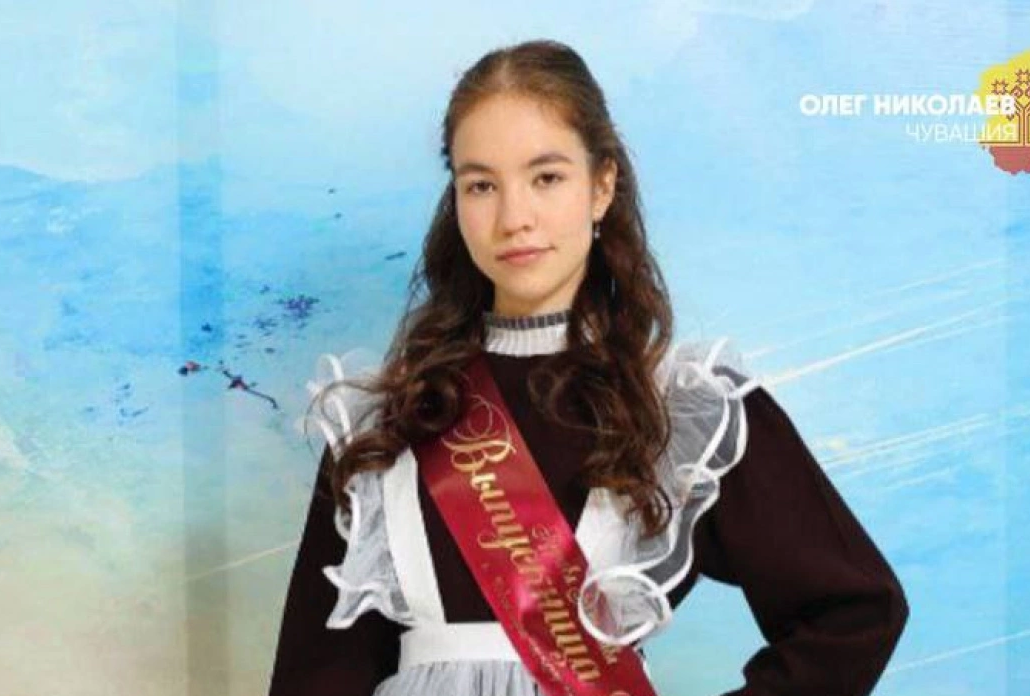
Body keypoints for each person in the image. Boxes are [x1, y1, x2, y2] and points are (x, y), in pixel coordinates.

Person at [269, 39, 909, 696]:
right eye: (481, 185)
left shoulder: (680, 410)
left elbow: (856, 611)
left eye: (546, 177)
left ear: (602, 186)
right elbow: (314, 678)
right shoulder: (389, 422)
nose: (514, 218)